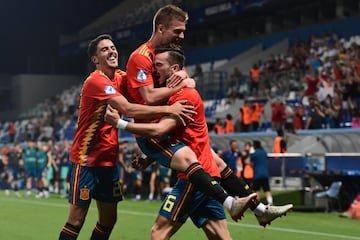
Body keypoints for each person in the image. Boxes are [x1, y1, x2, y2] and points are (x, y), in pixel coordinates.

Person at [106, 44, 293, 229]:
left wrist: (120, 124)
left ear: (175, 69)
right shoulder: (178, 91)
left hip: (195, 177)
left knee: (158, 233)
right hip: (206, 170)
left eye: (158, 65)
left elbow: (160, 130)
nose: (154, 70)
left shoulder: (182, 97)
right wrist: (150, 158)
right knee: (219, 230)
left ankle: (231, 203)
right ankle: (259, 209)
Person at [124, 4, 256, 223]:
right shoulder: (142, 57)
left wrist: (189, 80)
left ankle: (256, 207)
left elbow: (186, 83)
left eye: (183, 30)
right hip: (155, 131)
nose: (182, 35)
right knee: (197, 162)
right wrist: (183, 84)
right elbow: (148, 97)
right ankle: (233, 202)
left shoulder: (171, 57)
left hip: (172, 131)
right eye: (177, 31)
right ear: (160, 28)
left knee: (214, 161)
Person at [58, 34, 195, 240]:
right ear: (95, 60)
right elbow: (127, 108)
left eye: (113, 47)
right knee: (76, 220)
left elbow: (151, 87)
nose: (112, 51)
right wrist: (171, 109)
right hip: (86, 160)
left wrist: (185, 77)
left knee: (108, 221)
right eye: (104, 49)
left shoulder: (121, 77)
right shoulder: (95, 81)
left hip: (108, 161)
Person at [251, 140, 273, 205]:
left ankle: (258, 204)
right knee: (267, 190)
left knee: (256, 190)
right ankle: (270, 202)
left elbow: (251, 163)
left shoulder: (254, 154)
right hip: (265, 174)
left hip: (257, 175)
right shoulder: (264, 153)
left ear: (254, 146)